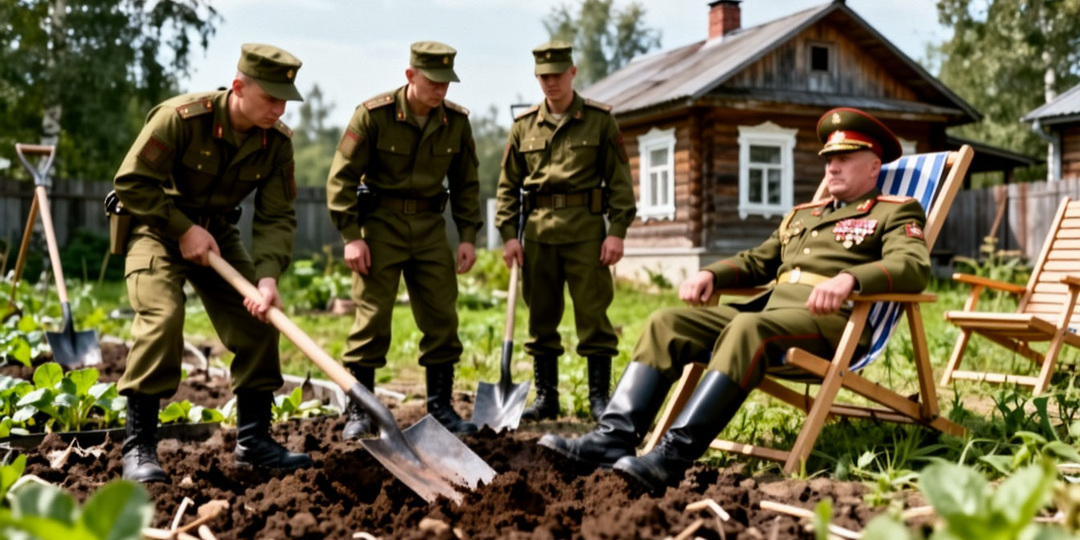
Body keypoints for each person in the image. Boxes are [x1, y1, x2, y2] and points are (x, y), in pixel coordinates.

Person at [539, 107, 930, 493]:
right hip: (768, 316)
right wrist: (712, 273)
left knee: (747, 327)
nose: (832, 168)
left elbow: (912, 266)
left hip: (831, 323)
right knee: (666, 322)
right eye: (829, 159)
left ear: (874, 167)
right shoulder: (803, 215)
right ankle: (613, 437)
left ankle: (672, 458)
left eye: (844, 159)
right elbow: (760, 261)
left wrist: (850, 279)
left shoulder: (894, 212)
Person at [113, 44, 311, 483]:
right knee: (163, 317)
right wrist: (182, 228)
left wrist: (267, 277)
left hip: (218, 237)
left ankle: (254, 442)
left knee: (262, 321)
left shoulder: (275, 143)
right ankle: (139, 446)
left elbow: (277, 215)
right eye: (270, 98)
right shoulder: (182, 118)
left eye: (285, 100)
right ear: (238, 87)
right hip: (158, 229)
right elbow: (131, 183)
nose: (278, 109)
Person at [326, 41, 482, 438]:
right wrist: (350, 236)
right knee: (372, 319)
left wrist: (467, 236)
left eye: (448, 81)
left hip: (431, 228)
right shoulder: (373, 116)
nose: (442, 89)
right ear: (410, 76)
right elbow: (341, 177)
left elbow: (466, 184)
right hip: (381, 226)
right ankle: (361, 412)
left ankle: (441, 408)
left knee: (442, 317)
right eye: (433, 81)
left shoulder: (457, 123)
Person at [495, 41, 636, 422]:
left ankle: (598, 398)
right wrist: (509, 235)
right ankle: (547, 399)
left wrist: (617, 230)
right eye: (543, 76)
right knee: (540, 320)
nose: (550, 82)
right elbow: (508, 185)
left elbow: (620, 181)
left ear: (573, 72)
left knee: (594, 317)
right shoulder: (523, 127)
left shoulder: (599, 120)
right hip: (539, 236)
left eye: (557, 74)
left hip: (588, 234)